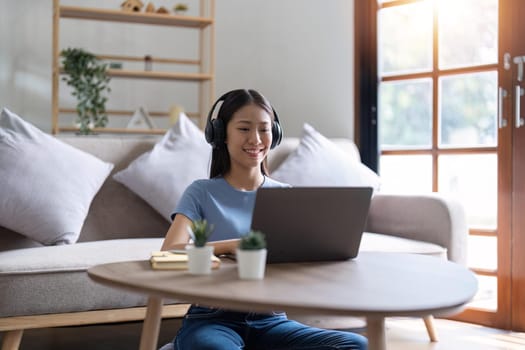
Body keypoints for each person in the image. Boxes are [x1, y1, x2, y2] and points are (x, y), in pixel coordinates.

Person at [161, 89, 368, 350]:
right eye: (244, 129)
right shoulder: (202, 192)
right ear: (220, 134)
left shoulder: (285, 196)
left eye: (264, 129)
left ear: (276, 134)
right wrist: (230, 245)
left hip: (271, 320)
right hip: (213, 319)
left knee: (354, 345)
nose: (256, 139)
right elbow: (170, 251)